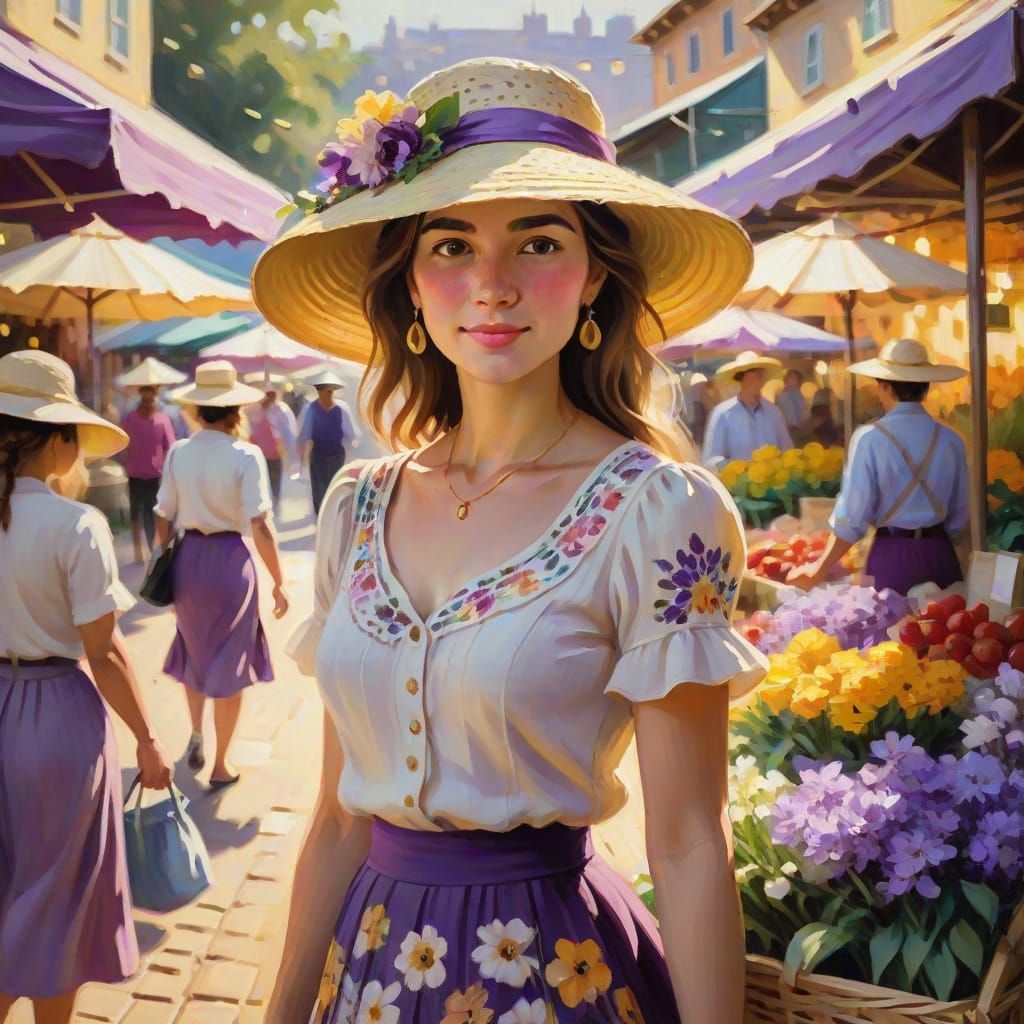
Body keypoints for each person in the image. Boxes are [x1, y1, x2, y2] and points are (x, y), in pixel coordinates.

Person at [252, 58, 768, 1024]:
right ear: (408, 285)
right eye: (450, 244)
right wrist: (281, 1011)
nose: (490, 285)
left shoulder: (660, 511)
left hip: (551, 976)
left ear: (594, 278)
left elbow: (693, 840)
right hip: (364, 977)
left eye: (538, 242)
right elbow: (335, 818)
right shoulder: (355, 506)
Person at [0, 350, 172, 1024]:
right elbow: (103, 653)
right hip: (58, 717)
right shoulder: (76, 525)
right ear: (61, 437)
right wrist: (150, 740)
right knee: (61, 895)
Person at [154, 361, 289, 787]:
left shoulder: (179, 452)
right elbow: (261, 524)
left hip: (189, 560)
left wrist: (165, 554)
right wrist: (280, 582)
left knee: (192, 648)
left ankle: (196, 733)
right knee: (231, 659)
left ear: (197, 409)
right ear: (235, 411)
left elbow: (162, 515)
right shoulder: (246, 455)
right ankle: (220, 765)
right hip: (232, 562)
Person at [788, 339, 968, 595]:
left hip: (892, 557)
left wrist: (818, 570)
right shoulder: (952, 440)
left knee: (890, 631)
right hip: (940, 554)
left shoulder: (870, 438)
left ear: (884, 387)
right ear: (925, 388)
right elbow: (960, 517)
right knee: (948, 631)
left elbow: (852, 519)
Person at [702, 350, 794, 468]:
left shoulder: (774, 412)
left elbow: (788, 451)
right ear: (742, 376)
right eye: (754, 370)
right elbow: (710, 459)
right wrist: (738, 468)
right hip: (737, 484)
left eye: (761, 371)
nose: (761, 374)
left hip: (772, 484)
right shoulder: (722, 413)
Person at [120, 384, 176, 562]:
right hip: (135, 473)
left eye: (150, 399)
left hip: (154, 475)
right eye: (144, 399)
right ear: (140, 399)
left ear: (155, 398)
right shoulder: (130, 419)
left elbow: (170, 446)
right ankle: (138, 551)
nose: (147, 403)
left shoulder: (162, 419)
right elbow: (122, 442)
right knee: (135, 513)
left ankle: (152, 547)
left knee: (152, 514)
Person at [296, 372, 361, 515]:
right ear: (319, 392)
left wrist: (352, 448)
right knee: (319, 490)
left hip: (337, 455)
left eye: (331, 391)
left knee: (334, 487)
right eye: (326, 391)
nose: (329, 394)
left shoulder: (341, 408)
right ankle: (320, 517)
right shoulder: (311, 409)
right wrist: (301, 461)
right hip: (318, 455)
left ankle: (334, 516)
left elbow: (352, 434)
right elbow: (303, 436)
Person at [250, 387, 298, 509]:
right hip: (274, 452)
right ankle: (274, 500)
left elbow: (253, 435)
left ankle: (270, 500)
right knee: (274, 479)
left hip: (262, 453)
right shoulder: (279, 410)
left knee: (265, 479)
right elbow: (287, 433)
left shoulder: (258, 412)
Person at [776, 368, 808, 435]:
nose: (797, 382)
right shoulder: (782, 397)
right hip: (789, 431)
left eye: (797, 380)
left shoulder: (799, 396)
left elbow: (804, 413)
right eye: (793, 378)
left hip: (798, 431)